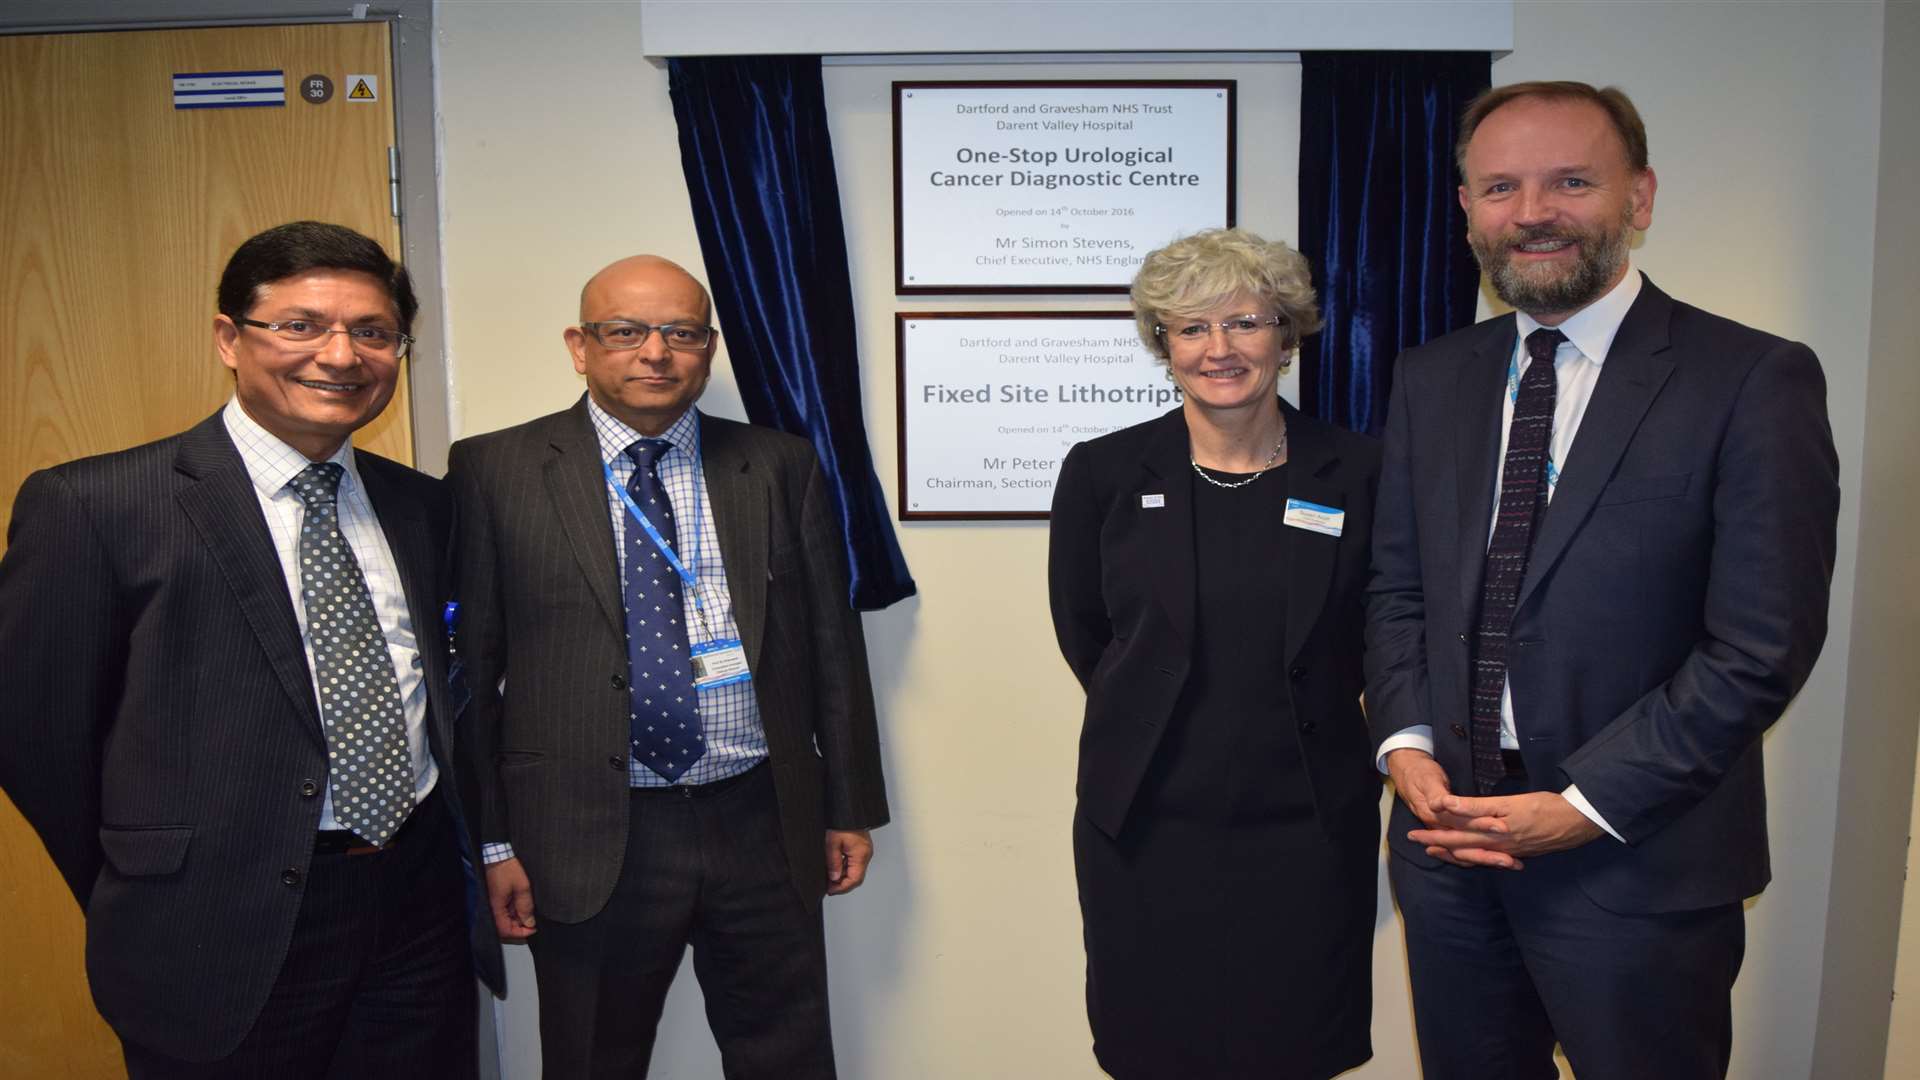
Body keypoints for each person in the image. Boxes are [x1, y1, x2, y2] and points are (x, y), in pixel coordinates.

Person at [1365, 81, 1840, 1080]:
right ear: (1466, 210)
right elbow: (1398, 587)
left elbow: (1759, 646)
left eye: (1571, 180)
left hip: (1638, 859)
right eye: (1500, 187)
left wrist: (1581, 805)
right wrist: (1406, 748)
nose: (1532, 212)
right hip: (1450, 853)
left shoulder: (1752, 378)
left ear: (1641, 198)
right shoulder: (1432, 375)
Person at [0, 221, 501, 1076]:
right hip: (215, 930)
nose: (341, 356)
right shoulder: (97, 504)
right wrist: (150, 876)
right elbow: (34, 735)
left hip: (413, 908)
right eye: (301, 325)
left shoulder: (422, 505)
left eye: (373, 332)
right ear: (230, 338)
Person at [448, 254, 888, 1078]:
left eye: (681, 332)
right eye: (626, 331)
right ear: (581, 346)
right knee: (591, 1059)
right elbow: (473, 670)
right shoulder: (494, 470)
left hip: (759, 815)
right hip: (585, 825)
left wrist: (848, 803)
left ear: (708, 349)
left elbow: (832, 641)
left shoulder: (777, 464)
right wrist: (494, 839)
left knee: (788, 1055)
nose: (656, 352)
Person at [1048, 227, 1383, 1079]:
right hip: (1149, 823)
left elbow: (1388, 632)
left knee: (1297, 1045)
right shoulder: (1104, 471)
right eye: (1191, 328)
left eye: (1244, 322)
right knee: (1155, 1048)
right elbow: (1086, 630)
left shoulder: (1361, 471)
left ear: (1287, 334)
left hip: (1305, 826)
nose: (1219, 349)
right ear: (1164, 346)